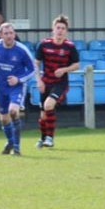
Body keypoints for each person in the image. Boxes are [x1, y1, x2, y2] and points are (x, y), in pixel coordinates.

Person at [0, 23, 37, 156]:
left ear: (14, 34)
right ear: (1, 35)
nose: (9, 36)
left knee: (13, 111)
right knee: (4, 119)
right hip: (1, 87)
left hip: (16, 86)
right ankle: (11, 142)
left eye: (11, 33)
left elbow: (33, 69)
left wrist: (18, 79)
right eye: (6, 33)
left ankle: (17, 148)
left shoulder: (21, 50)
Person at [34, 15, 81, 149]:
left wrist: (65, 69)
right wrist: (38, 81)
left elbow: (77, 65)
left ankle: (50, 138)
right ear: (53, 29)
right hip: (46, 82)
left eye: (63, 28)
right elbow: (36, 64)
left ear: (66, 31)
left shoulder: (70, 47)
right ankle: (43, 138)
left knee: (49, 105)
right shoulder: (43, 44)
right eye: (58, 28)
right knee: (43, 115)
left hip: (60, 83)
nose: (60, 31)